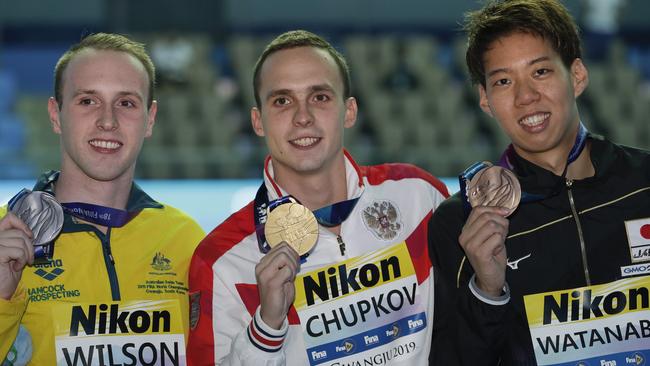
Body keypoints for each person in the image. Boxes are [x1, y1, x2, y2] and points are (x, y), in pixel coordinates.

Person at [187, 30, 449, 365]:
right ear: (258, 121)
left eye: (320, 97)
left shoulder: (418, 197)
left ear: (349, 110)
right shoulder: (221, 261)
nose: (302, 117)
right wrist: (266, 328)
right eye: (282, 101)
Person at [428, 0, 650, 365]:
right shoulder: (460, 224)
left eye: (541, 72)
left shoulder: (643, 183)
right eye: (503, 81)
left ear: (577, 76)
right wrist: (486, 291)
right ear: (485, 99)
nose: (525, 96)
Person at [0, 33, 205, 365]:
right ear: (55, 114)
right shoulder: (5, 236)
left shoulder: (186, 239)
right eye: (87, 101)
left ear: (150, 119)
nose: (107, 121)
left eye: (126, 103)